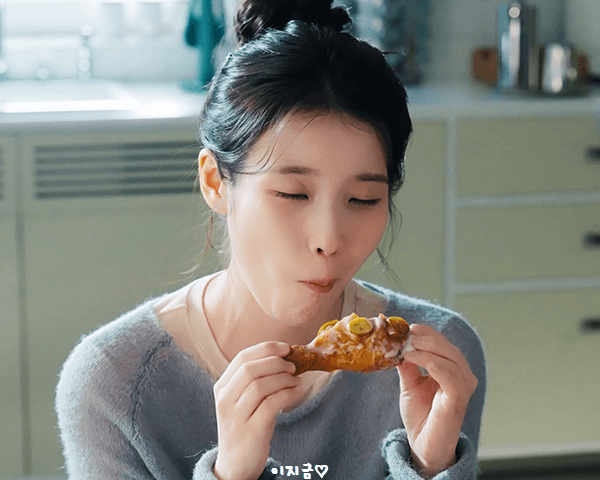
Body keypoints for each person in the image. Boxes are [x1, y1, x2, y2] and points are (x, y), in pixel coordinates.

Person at [55, 1, 486, 479]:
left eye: (363, 199)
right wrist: (231, 473)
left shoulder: (439, 363)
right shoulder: (113, 382)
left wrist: (430, 466)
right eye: (293, 194)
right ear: (216, 182)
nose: (328, 239)